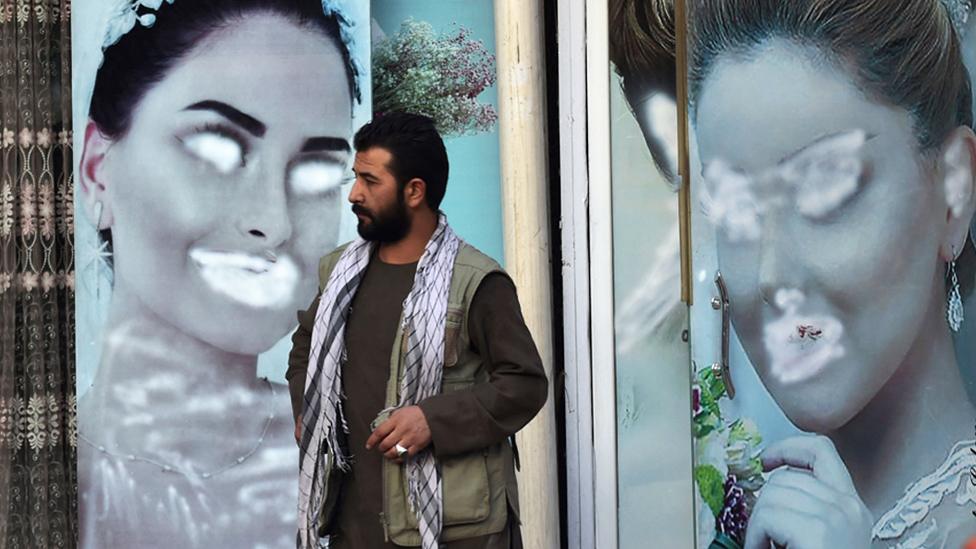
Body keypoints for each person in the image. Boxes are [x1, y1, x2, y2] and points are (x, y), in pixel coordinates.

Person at [690, 0, 976, 547]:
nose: (771, 277)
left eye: (825, 192)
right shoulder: (739, 513)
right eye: (736, 211)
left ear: (954, 193)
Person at [75, 0, 361, 546]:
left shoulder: (347, 455)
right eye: (215, 147)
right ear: (97, 170)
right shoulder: (31, 474)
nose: (272, 222)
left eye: (318, 170)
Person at [286, 112, 548, 549]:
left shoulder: (476, 282)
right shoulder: (339, 274)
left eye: (371, 181)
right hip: (355, 527)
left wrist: (433, 420)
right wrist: (306, 407)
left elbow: (524, 383)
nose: (354, 194)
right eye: (355, 178)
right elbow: (305, 350)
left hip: (454, 529)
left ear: (414, 191)